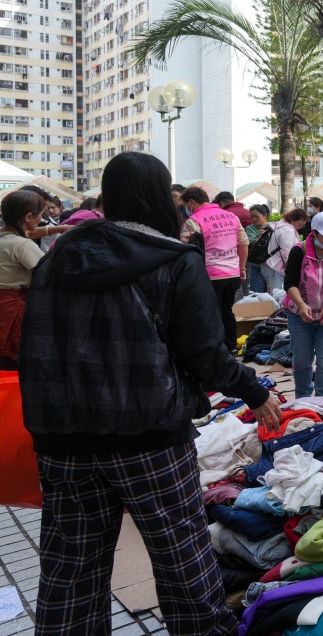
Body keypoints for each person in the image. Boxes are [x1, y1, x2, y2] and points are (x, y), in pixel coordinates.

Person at [19, 151, 281, 636]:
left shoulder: (59, 258)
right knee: (183, 561)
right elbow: (204, 353)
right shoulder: (174, 260)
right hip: (149, 437)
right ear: (161, 197)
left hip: (63, 439)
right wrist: (254, 390)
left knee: (70, 570)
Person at [282, 211, 323, 399]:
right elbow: (289, 283)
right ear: (315, 232)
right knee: (302, 362)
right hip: (300, 316)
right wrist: (301, 305)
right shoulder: (299, 250)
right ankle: (303, 401)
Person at [180, 185, 248, 352]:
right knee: (227, 311)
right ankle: (231, 346)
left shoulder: (194, 221)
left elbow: (186, 248)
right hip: (232, 274)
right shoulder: (231, 216)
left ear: (191, 202)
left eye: (186, 205)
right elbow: (243, 243)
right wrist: (242, 268)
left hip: (209, 275)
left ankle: (216, 350)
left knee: (211, 314)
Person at [0, 190, 45, 370]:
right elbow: (48, 272)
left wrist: (57, 229)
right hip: (13, 310)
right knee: (13, 363)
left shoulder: (5, 239)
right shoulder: (22, 245)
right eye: (40, 214)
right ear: (28, 217)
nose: (41, 219)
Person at [265, 208, 308, 295]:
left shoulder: (281, 225)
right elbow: (286, 253)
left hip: (273, 266)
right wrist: (292, 270)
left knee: (276, 294)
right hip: (277, 268)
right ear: (293, 219)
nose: (300, 227)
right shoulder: (287, 230)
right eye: (300, 224)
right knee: (278, 295)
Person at [245, 204, 272, 293]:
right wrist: (261, 237)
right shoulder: (250, 228)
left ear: (264, 215)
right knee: (257, 294)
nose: (254, 219)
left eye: (256, 216)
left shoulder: (273, 226)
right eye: (252, 217)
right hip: (257, 265)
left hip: (272, 266)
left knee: (275, 293)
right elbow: (251, 245)